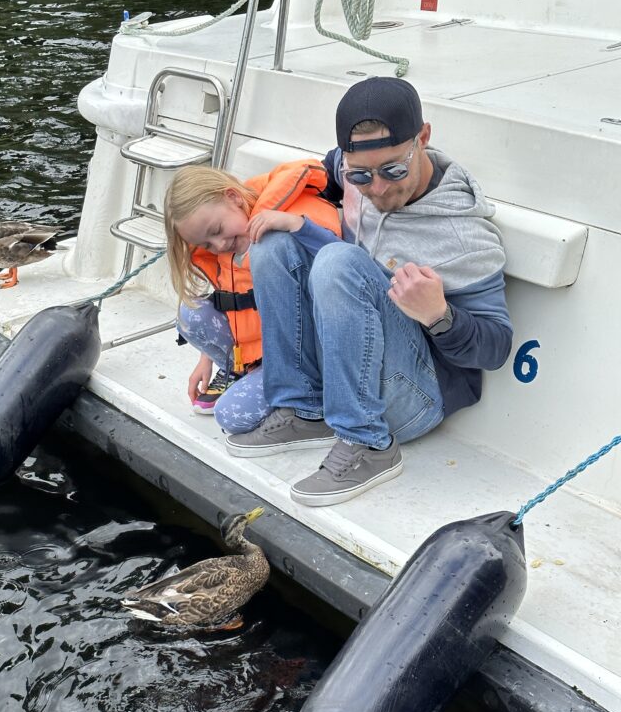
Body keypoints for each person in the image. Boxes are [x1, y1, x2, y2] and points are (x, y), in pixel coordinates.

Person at [225, 77, 513, 507]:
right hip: (346, 366)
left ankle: (369, 446)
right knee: (273, 243)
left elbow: (496, 349)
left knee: (339, 261)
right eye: (360, 175)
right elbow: (314, 181)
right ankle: (303, 408)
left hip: (414, 398)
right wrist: (288, 220)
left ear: (424, 138)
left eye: (393, 170)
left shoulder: (464, 235)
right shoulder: (349, 170)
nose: (377, 189)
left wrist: (439, 316)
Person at [163, 162, 341, 432]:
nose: (219, 245)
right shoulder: (230, 242)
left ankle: (307, 395)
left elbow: (344, 265)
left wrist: (298, 227)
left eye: (216, 230)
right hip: (261, 351)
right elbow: (231, 297)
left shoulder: (289, 220)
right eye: (207, 244)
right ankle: (240, 370)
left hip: (304, 356)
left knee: (231, 417)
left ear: (233, 197)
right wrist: (206, 357)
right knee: (188, 315)